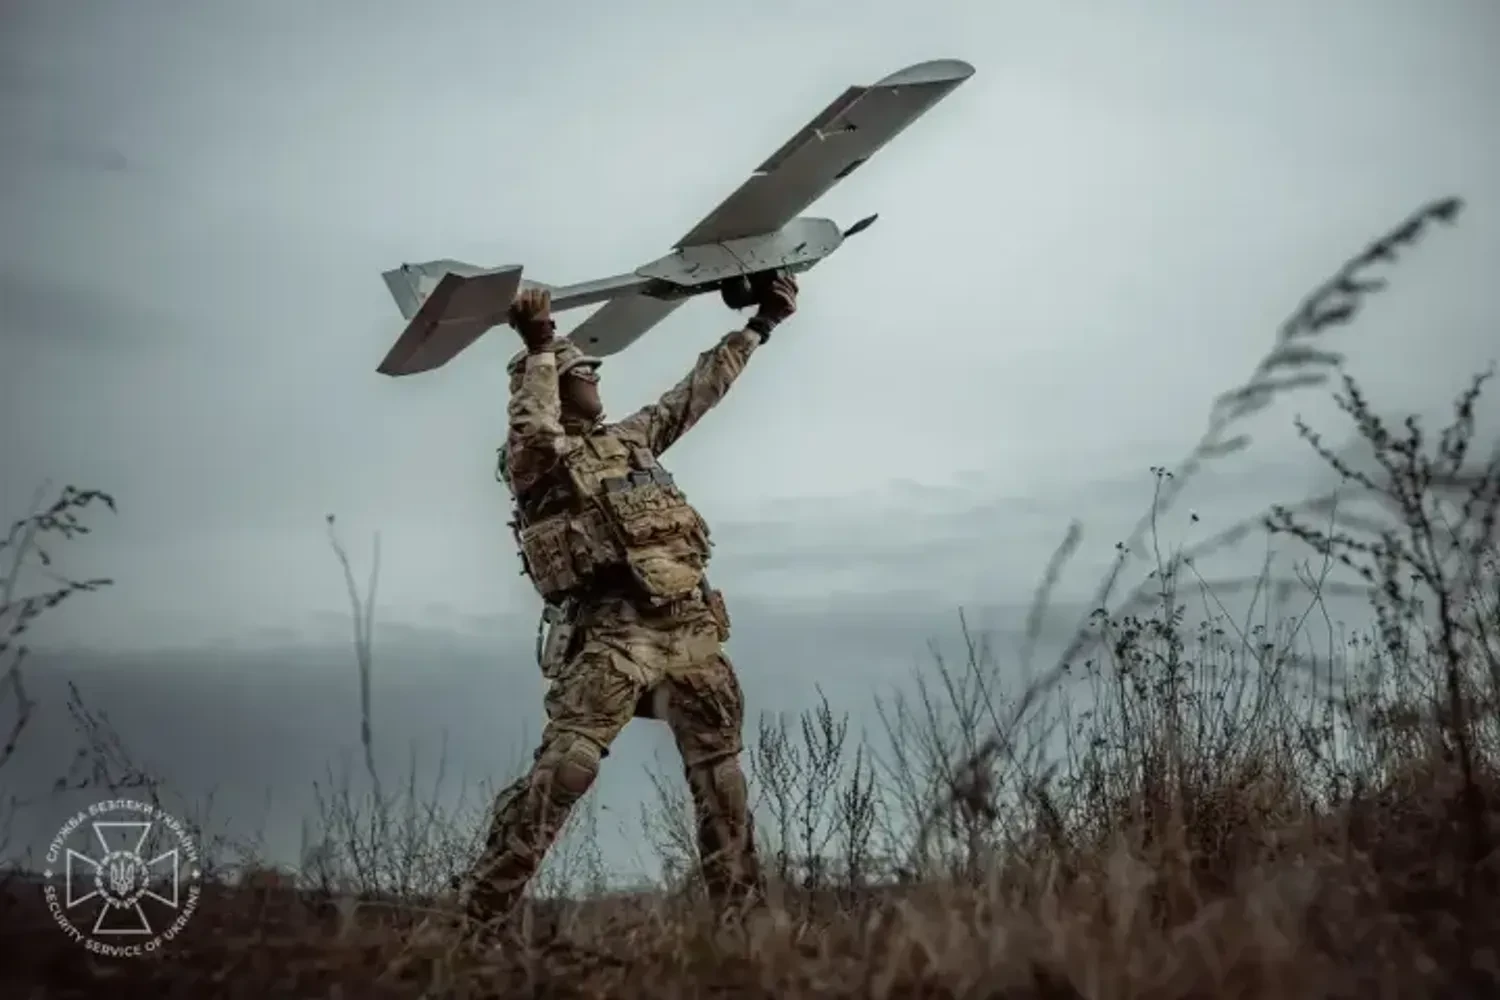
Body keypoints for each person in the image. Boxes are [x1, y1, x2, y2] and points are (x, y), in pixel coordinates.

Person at [457, 272, 800, 942]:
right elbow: (530, 427)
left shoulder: (632, 439)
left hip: (689, 629)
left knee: (722, 780)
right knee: (566, 771)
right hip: (613, 637)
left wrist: (761, 325)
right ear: (555, 386)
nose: (595, 380)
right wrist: (538, 343)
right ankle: (480, 919)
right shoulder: (538, 466)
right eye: (582, 372)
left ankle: (741, 928)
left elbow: (697, 393)